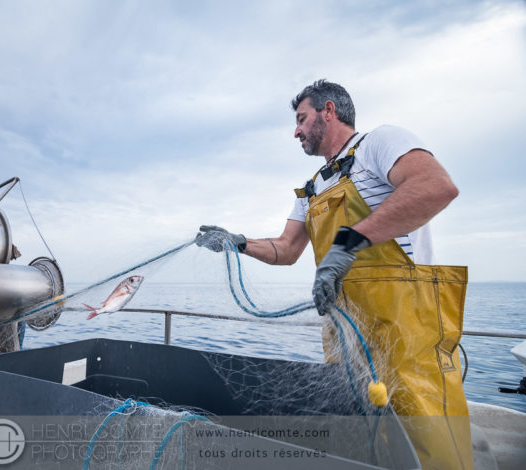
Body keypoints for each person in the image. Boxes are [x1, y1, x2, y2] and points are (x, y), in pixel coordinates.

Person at [197, 79, 472, 470]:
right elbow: (287, 249)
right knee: (362, 430)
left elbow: (435, 186)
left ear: (329, 111)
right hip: (345, 326)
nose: (295, 130)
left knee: (424, 431)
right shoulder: (310, 189)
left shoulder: (378, 143)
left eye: (301, 118)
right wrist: (237, 242)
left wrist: (347, 244)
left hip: (404, 322)